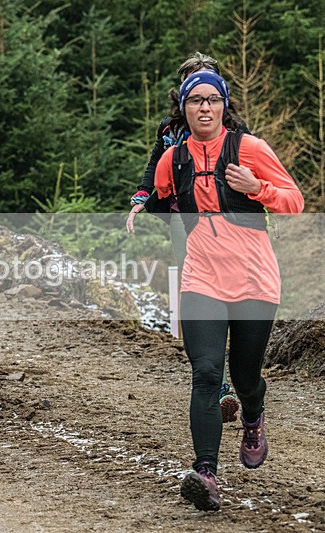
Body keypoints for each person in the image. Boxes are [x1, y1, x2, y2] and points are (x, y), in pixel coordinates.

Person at [149, 69, 303, 511]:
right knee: (206, 373)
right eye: (195, 101)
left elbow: (295, 200)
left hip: (254, 279)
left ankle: (253, 415)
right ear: (184, 109)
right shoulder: (172, 159)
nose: (204, 108)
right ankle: (206, 473)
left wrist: (258, 188)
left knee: (245, 375)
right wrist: (145, 205)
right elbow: (159, 194)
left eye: (212, 100)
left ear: (223, 106)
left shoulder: (250, 148)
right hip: (202, 279)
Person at [125, 52, 244, 423]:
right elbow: (154, 164)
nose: (202, 94)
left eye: (209, 84)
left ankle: (231, 364)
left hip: (227, 219)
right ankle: (215, 379)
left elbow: (254, 167)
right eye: (193, 84)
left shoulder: (235, 127)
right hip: (182, 214)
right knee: (196, 287)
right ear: (181, 92)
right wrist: (142, 197)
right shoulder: (168, 129)